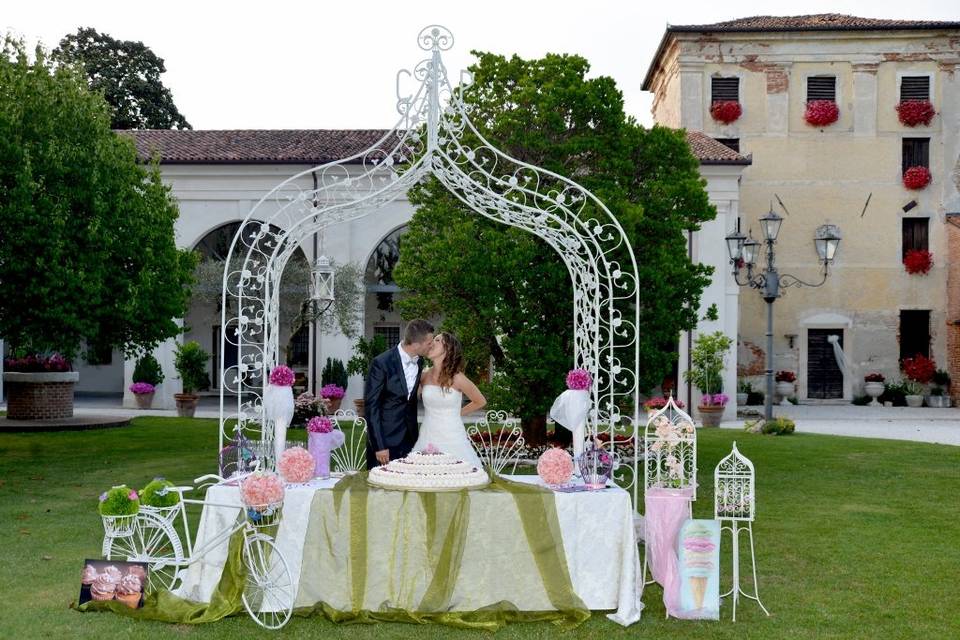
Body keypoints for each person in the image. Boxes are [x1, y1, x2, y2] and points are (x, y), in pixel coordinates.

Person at [364, 319, 434, 469]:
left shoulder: (420, 363)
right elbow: (372, 407)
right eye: (429, 343)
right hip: (385, 444)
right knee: (381, 490)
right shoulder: (381, 363)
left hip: (410, 442)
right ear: (416, 344)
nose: (432, 346)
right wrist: (379, 445)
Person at [411, 331, 486, 468]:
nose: (432, 342)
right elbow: (408, 400)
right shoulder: (423, 376)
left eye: (438, 340)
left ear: (448, 349)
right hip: (428, 434)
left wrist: (456, 414)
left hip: (452, 435)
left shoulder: (457, 378)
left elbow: (480, 401)